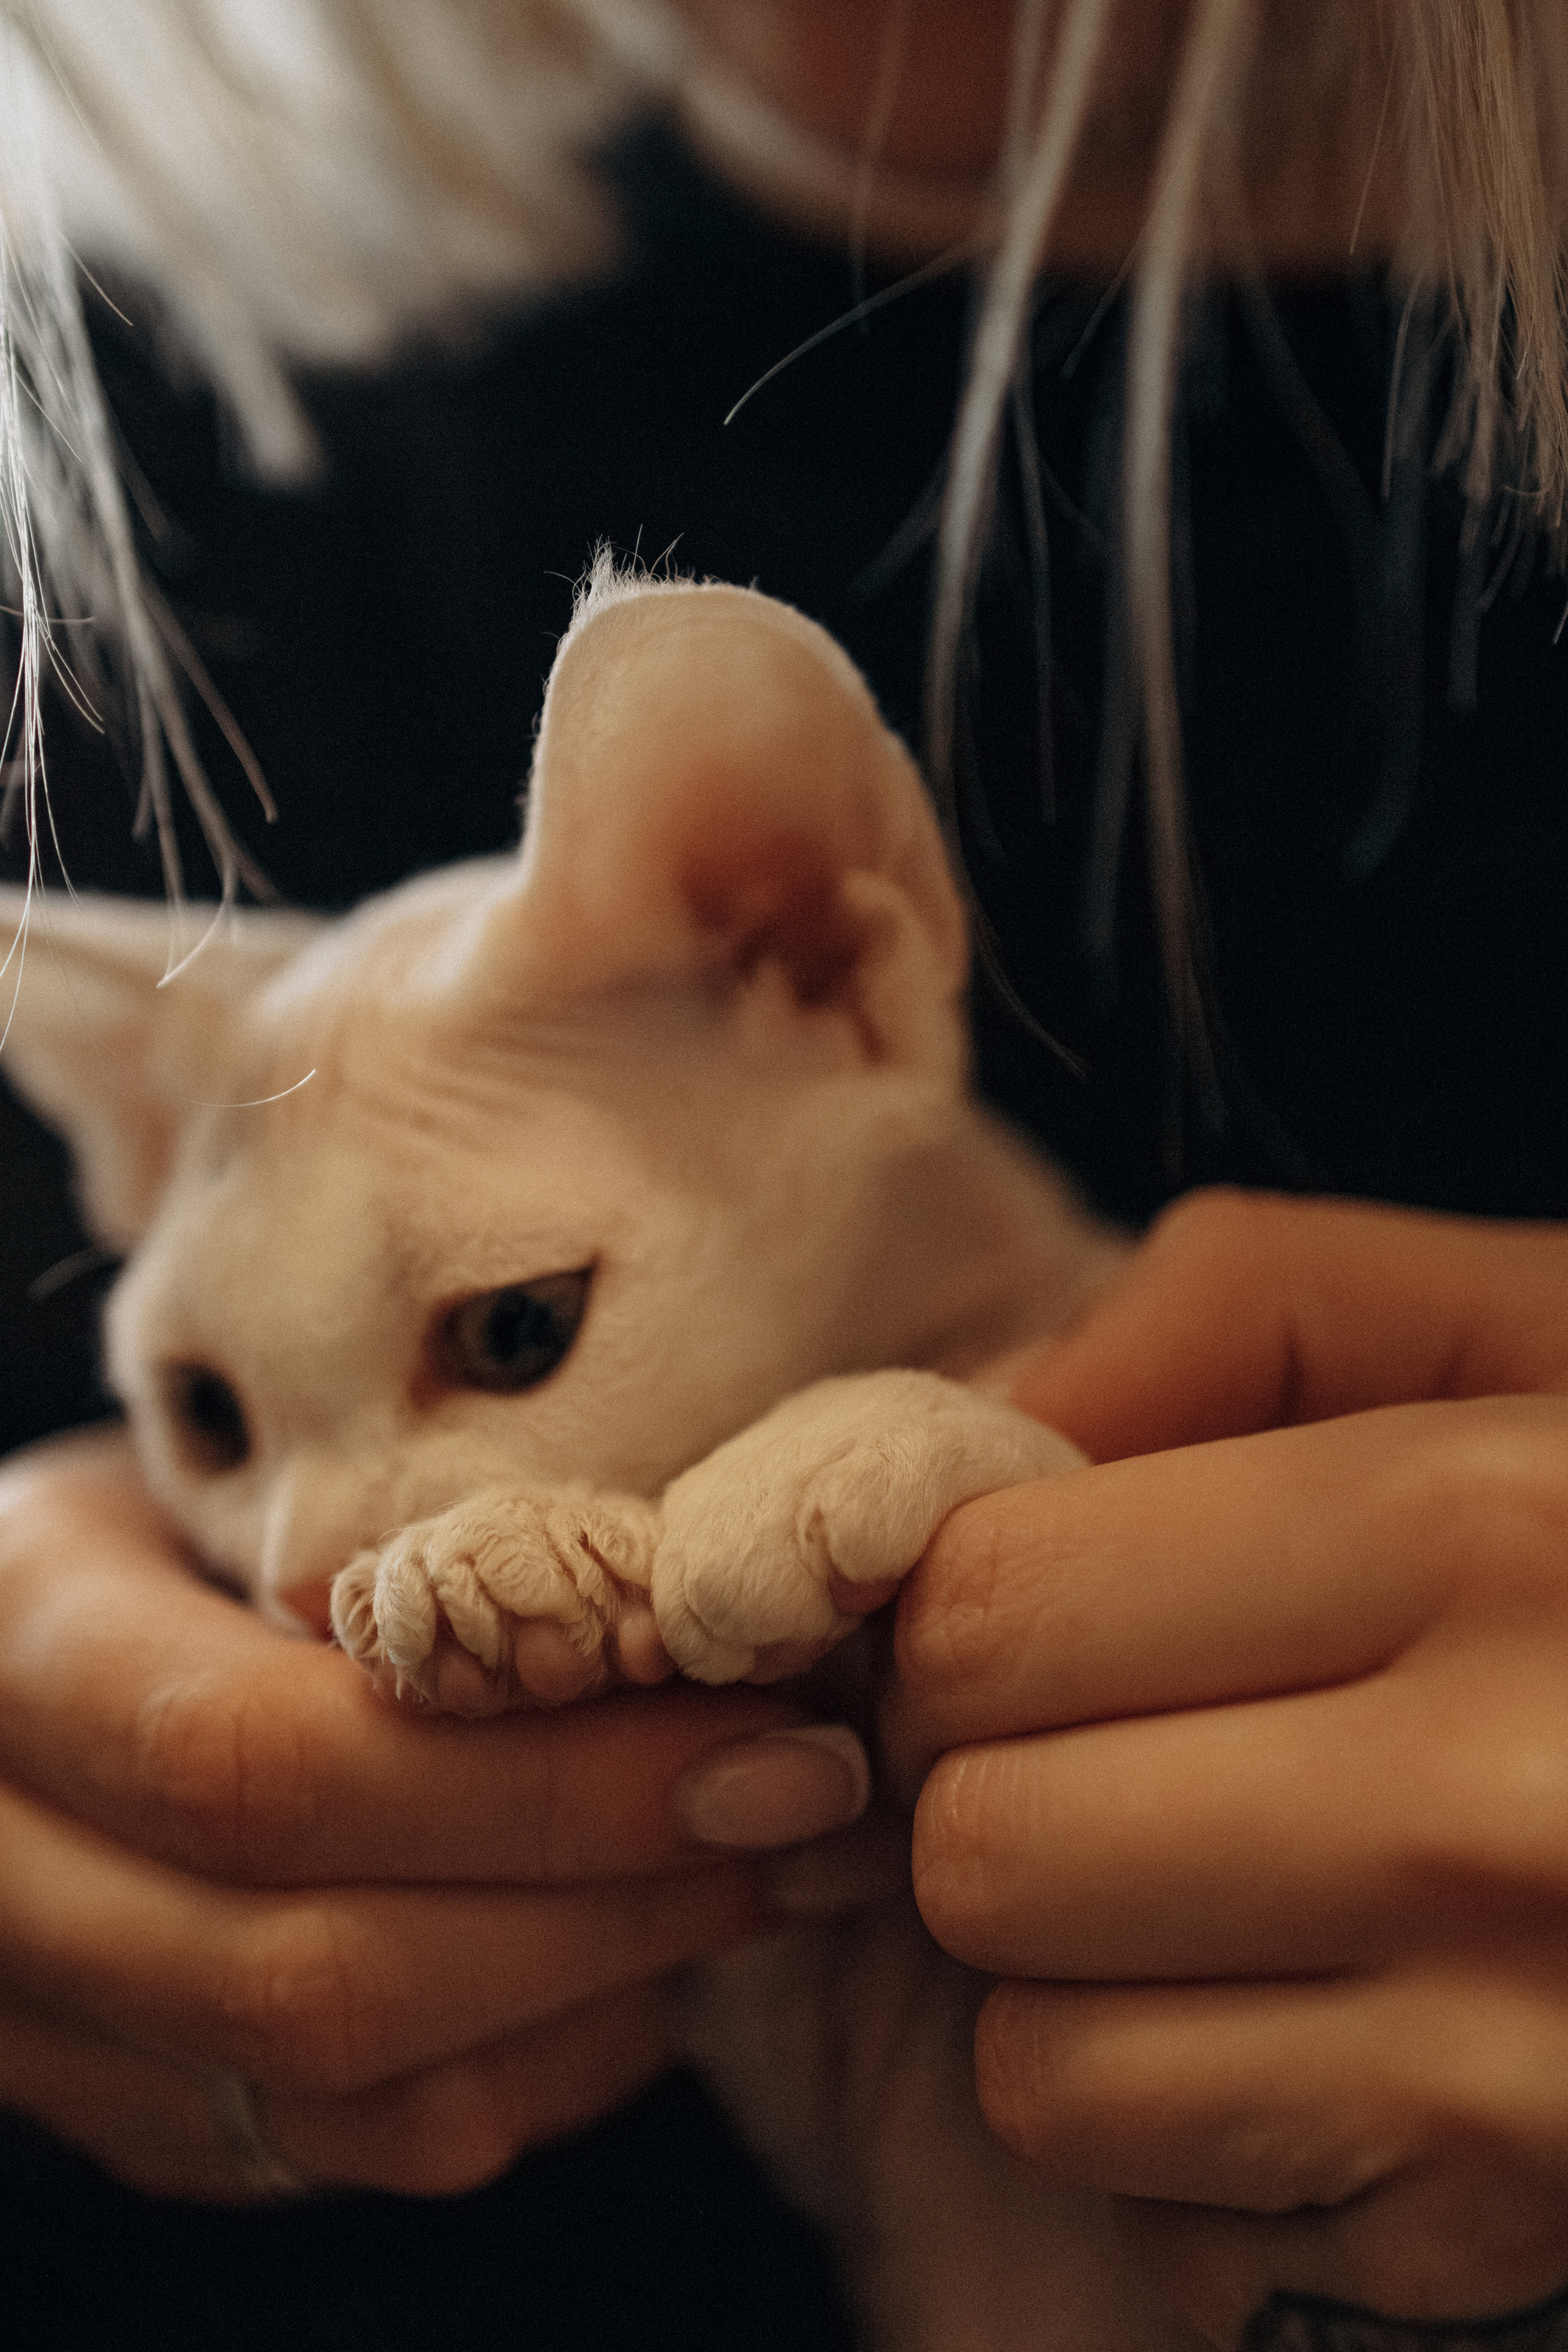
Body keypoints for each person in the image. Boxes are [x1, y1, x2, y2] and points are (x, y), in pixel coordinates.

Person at [1, 3, 1567, 2346]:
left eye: (511, 1332)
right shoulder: (121, 458)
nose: (309, 1568)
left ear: (812, 953)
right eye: (215, 1421)